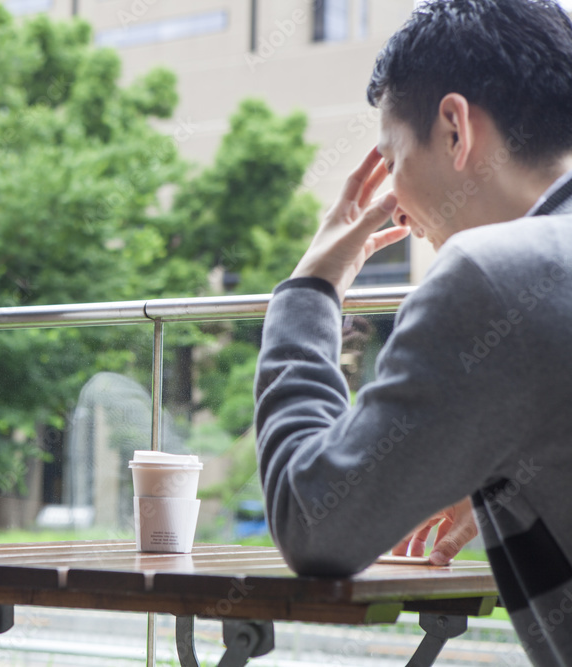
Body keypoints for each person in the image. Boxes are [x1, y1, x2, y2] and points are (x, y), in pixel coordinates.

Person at [254, 1, 572, 663]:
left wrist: (310, 288)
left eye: (393, 158)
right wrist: (509, 458)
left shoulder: (493, 277)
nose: (392, 200)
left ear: (455, 128)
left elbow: (315, 519)